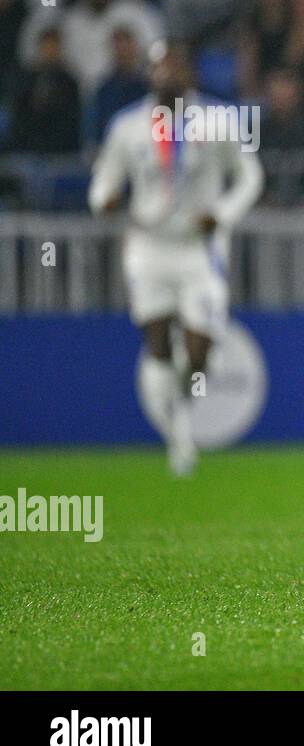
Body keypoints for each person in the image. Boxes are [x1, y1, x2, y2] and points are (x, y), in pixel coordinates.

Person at [88, 42, 264, 475]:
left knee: (199, 352)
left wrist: (221, 214)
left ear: (190, 72)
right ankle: (179, 438)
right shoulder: (128, 126)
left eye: (176, 64)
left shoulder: (219, 121)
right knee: (158, 340)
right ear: (150, 73)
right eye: (161, 65)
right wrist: (103, 201)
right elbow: (102, 184)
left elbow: (250, 177)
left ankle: (182, 413)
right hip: (148, 245)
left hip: (198, 249)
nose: (168, 72)